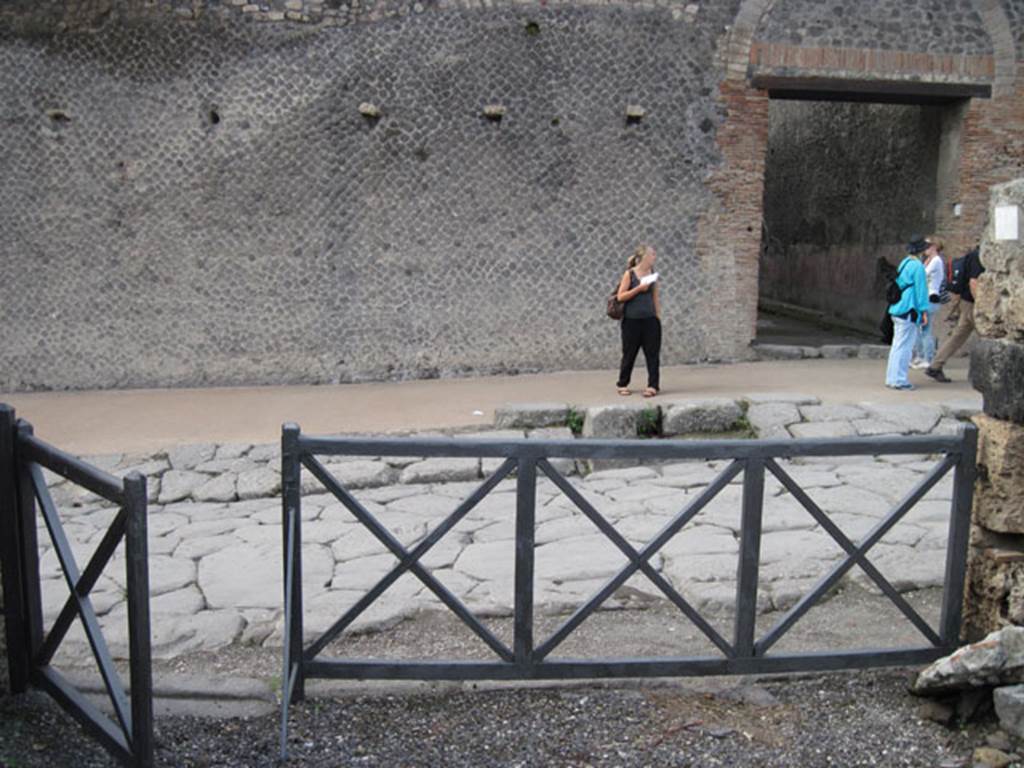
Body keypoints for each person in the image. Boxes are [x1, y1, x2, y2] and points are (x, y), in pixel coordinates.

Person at [926, 245, 985, 383]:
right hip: (972, 303)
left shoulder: (972, 255)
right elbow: (973, 282)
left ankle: (935, 365)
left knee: (959, 335)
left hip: (967, 301)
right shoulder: (977, 257)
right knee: (988, 336)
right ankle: (987, 372)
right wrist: (981, 305)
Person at [615, 243, 661, 398]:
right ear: (644, 257)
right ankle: (622, 383)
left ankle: (653, 385)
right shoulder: (630, 274)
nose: (654, 257)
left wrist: (657, 317)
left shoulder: (652, 273)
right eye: (652, 254)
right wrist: (638, 289)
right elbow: (621, 296)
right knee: (629, 353)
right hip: (631, 321)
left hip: (649, 320)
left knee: (652, 354)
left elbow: (655, 296)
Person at [884, 238, 930, 391]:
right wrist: (924, 311)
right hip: (908, 308)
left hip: (898, 307)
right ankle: (900, 380)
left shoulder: (905, 263)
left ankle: (892, 378)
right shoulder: (918, 266)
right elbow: (921, 291)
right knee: (905, 347)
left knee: (897, 345)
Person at [911, 236, 946, 369]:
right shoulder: (929, 260)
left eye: (927, 246)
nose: (925, 249)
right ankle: (920, 356)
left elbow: (922, 274)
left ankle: (927, 358)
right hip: (925, 297)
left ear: (934, 247)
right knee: (920, 328)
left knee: (925, 329)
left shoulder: (936, 261)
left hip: (931, 297)